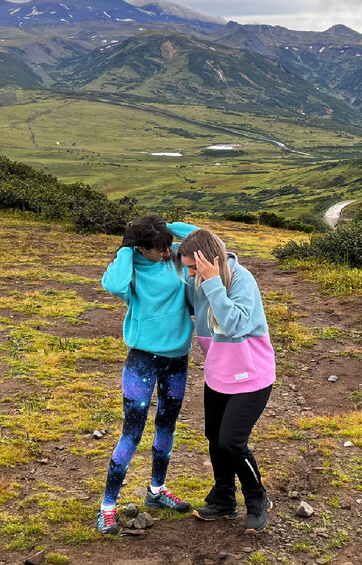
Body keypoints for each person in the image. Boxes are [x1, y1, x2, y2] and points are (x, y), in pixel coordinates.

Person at [97, 214, 198, 535]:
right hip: (143, 360)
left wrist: (169, 230)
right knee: (132, 433)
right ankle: (108, 507)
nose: (167, 252)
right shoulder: (129, 269)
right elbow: (111, 285)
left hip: (177, 359)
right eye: (159, 248)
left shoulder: (172, 257)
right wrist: (126, 249)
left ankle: (156, 491)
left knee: (167, 425)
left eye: (169, 246)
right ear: (141, 249)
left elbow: (213, 245)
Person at [179, 228, 276, 533]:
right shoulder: (196, 279)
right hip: (218, 374)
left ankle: (257, 498)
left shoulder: (241, 280)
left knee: (231, 442)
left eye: (193, 267)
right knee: (214, 438)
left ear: (210, 261)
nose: (189, 274)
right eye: (187, 268)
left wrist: (212, 285)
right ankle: (223, 498)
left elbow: (233, 324)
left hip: (252, 377)